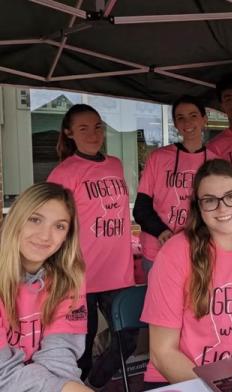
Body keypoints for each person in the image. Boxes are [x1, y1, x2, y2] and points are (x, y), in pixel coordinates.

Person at [141, 159, 232, 389]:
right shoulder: (175, 253)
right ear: (198, 207)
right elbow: (162, 353)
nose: (222, 208)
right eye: (210, 200)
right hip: (185, 382)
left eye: (231, 196)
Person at [47, 104, 137, 389]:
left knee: (129, 338)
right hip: (79, 276)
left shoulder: (115, 164)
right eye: (83, 128)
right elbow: (55, 223)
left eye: (97, 126)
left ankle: (93, 384)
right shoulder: (63, 173)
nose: (93, 133)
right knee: (79, 350)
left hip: (117, 274)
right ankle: (80, 381)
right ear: (69, 133)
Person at [0, 182, 91, 392]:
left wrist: (68, 387)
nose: (44, 236)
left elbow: (59, 355)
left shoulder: (69, 278)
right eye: (35, 220)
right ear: (16, 220)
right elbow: (2, 374)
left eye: (59, 226)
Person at [133, 95, 217, 274]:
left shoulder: (215, 162)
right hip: (158, 251)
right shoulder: (158, 158)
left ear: (204, 120)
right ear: (175, 124)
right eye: (180, 117)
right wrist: (162, 232)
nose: (187, 122)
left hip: (199, 252)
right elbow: (141, 208)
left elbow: (218, 209)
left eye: (193, 115)